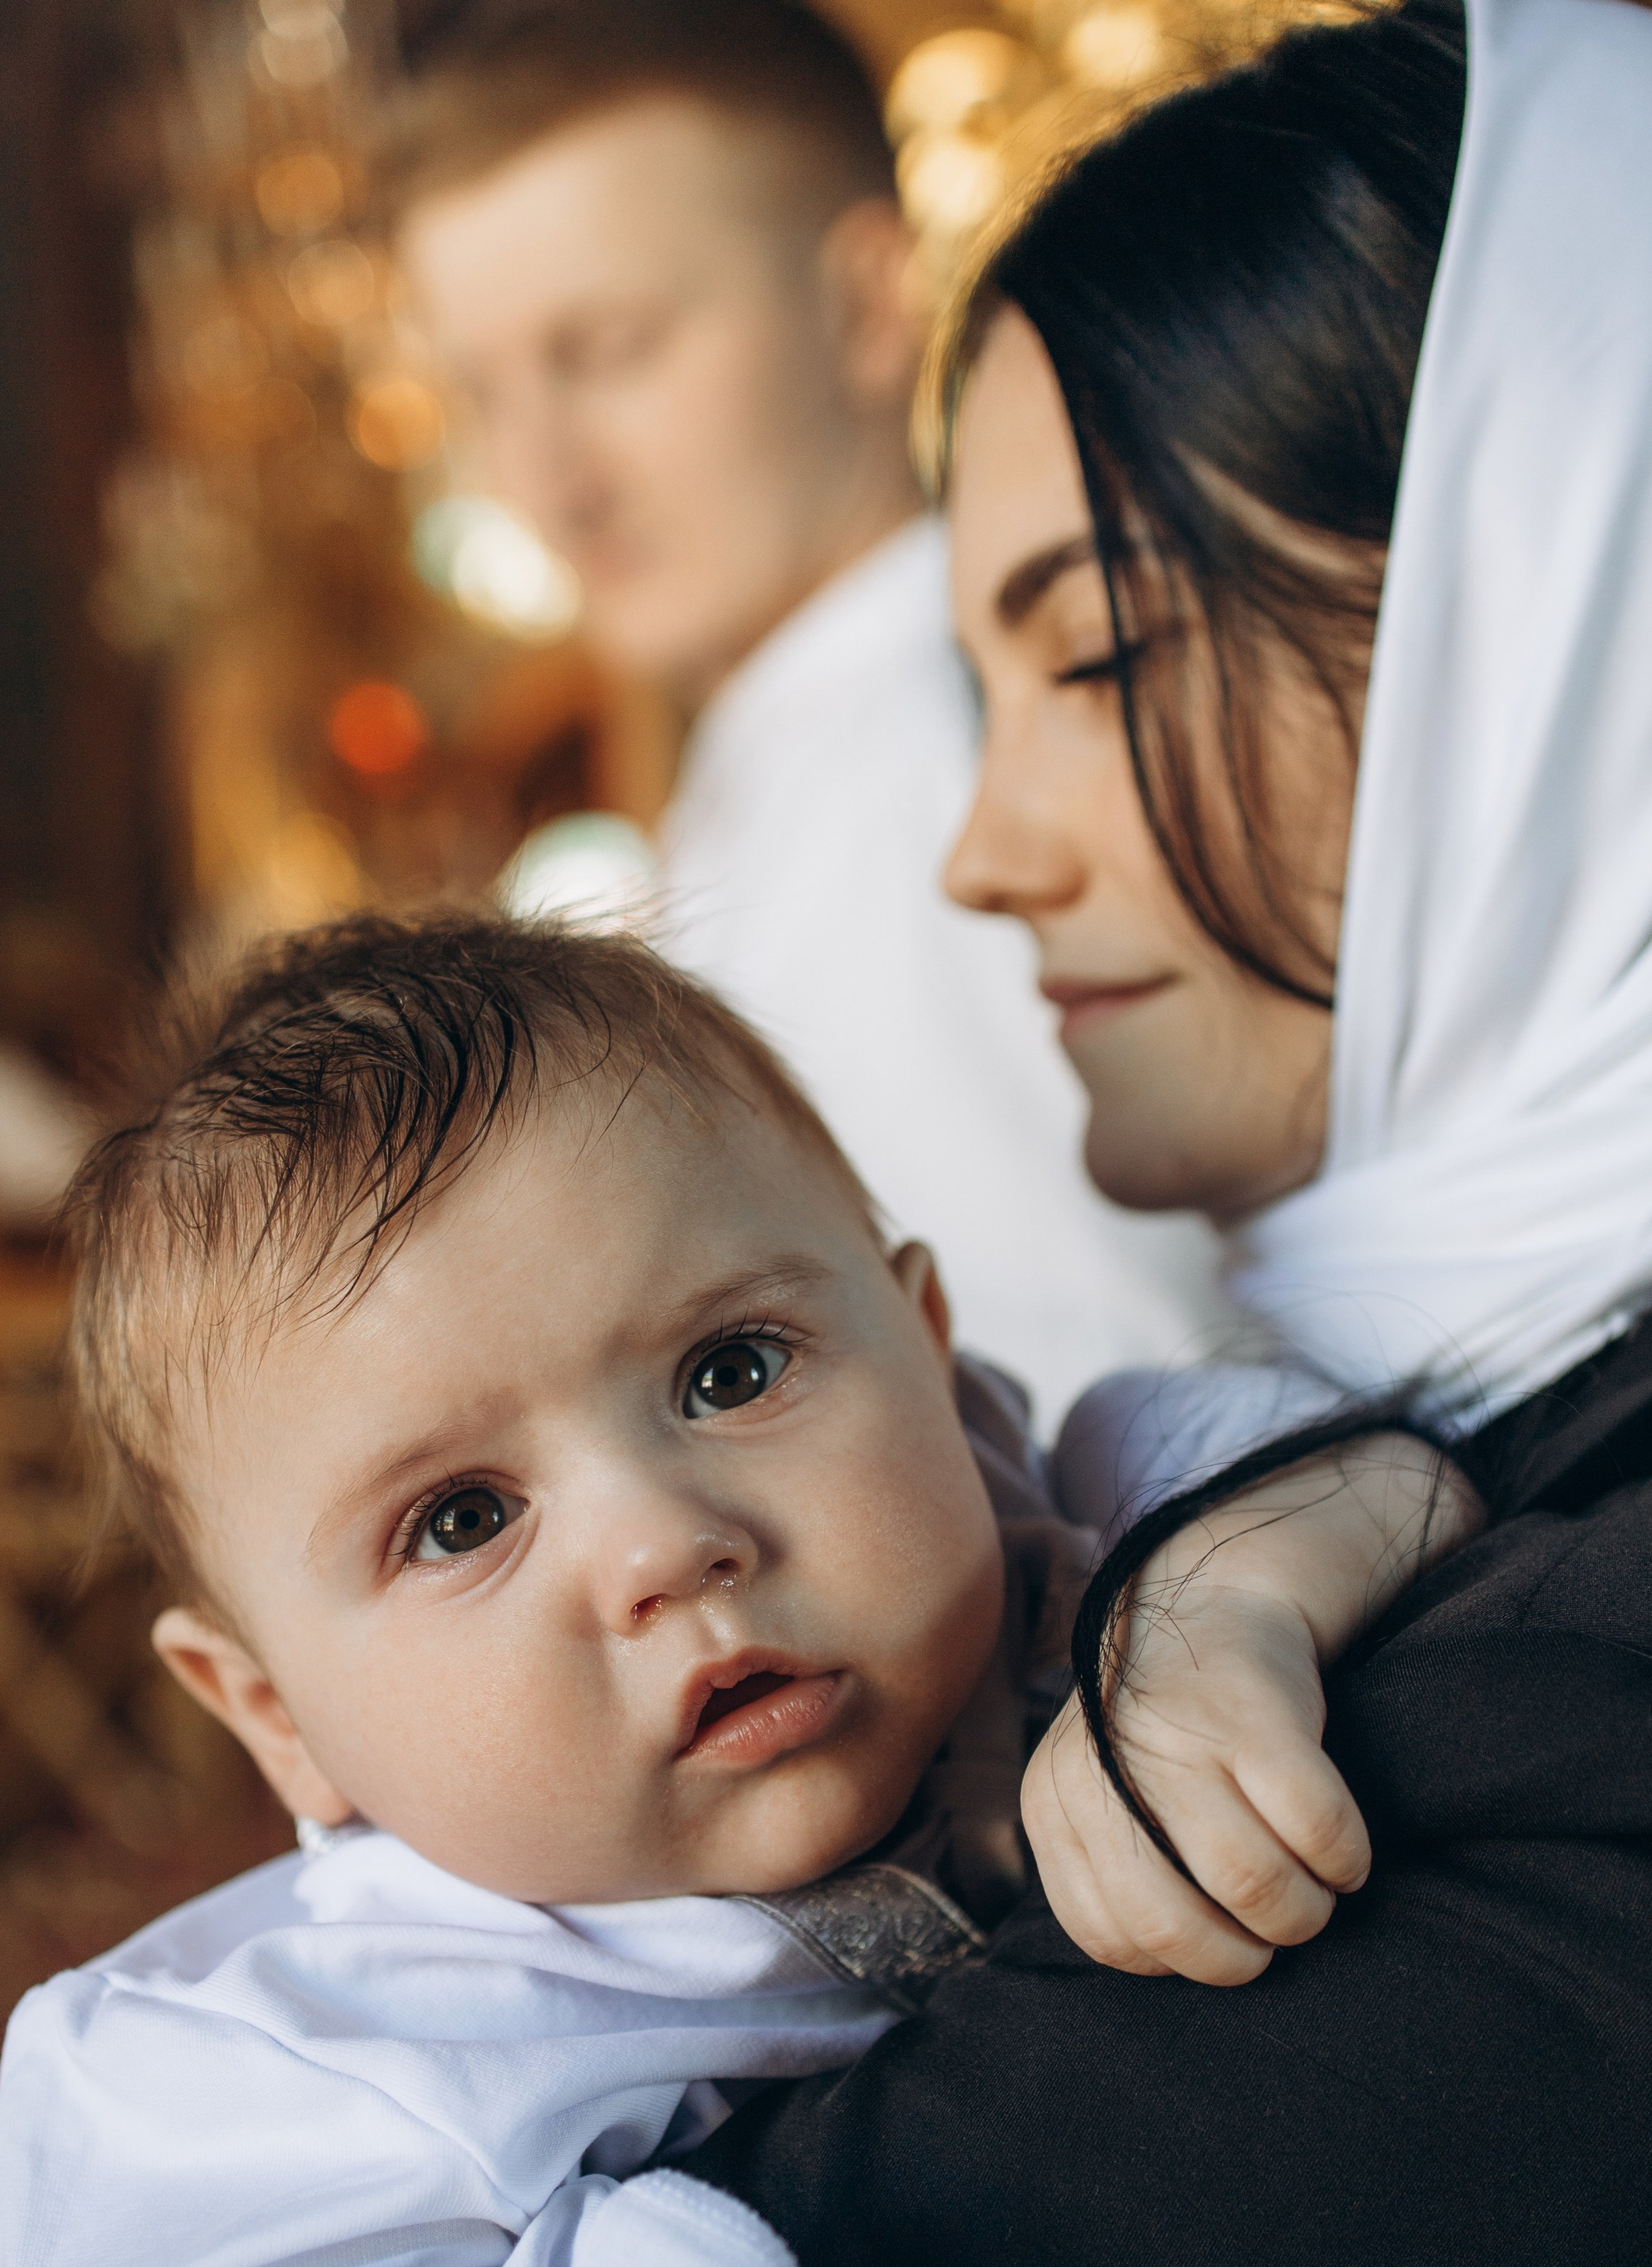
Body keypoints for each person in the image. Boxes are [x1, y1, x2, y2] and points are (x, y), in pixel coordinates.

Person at [0, 0, 1652, 2267]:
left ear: (1584, 614)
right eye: (452, 1521)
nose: (989, 854)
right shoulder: (1464, 1360)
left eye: (1097, 661)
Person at [0, 908, 1465, 2267]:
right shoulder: (313, 2051)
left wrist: (1222, 1613)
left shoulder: (1060, 1553)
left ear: (927, 1351)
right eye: (459, 1518)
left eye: (732, 1367)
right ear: (276, 1719)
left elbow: (1358, 1461)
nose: (665, 1542)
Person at [393, 0, 1222, 1417]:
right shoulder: (801, 751)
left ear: (863, 305)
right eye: (483, 389)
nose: (545, 476)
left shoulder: (920, 775)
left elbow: (1125, 1387)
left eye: (608, 349)